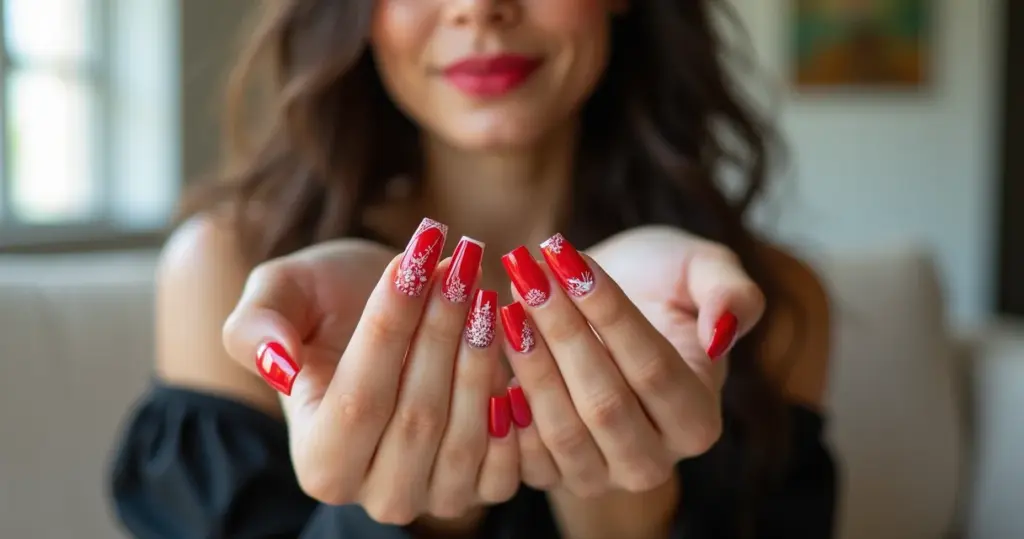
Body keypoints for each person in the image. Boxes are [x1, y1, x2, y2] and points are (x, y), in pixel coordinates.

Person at [109, 0, 837, 537]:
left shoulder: (760, 302)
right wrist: (415, 509)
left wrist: (624, 511)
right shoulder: (233, 273)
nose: (479, 9)